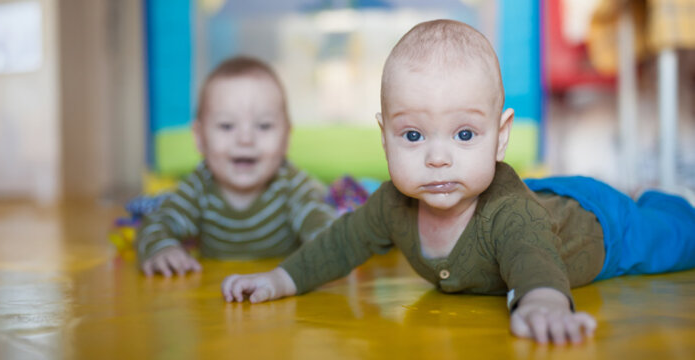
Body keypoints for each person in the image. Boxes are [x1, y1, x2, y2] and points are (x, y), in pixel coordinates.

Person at [220, 19, 695, 345]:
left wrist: (544, 304)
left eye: (465, 134)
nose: (438, 157)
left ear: (500, 137)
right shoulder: (392, 205)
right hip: (546, 196)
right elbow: (340, 242)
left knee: (667, 238)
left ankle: (673, 205)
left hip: (598, 226)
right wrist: (279, 278)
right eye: (413, 135)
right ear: (384, 139)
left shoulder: (510, 215)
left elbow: (534, 260)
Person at [136, 56, 337, 277]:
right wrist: (163, 248)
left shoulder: (291, 183)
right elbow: (157, 222)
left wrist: (326, 247)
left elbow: (320, 220)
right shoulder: (199, 187)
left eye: (264, 125)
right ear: (200, 137)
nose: (245, 139)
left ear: (286, 137)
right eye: (226, 126)